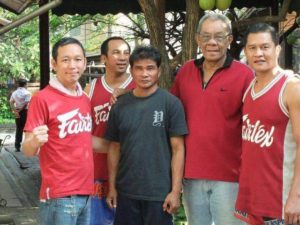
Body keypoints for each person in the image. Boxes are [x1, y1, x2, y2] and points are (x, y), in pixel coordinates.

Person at [170, 13, 254, 225]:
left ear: (229, 39)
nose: (212, 42)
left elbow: (254, 125)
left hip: (231, 176)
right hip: (191, 174)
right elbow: (168, 110)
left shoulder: (245, 75)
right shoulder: (185, 71)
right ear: (198, 39)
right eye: (206, 36)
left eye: (218, 36)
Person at [104, 46, 188, 225]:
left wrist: (175, 191)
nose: (144, 74)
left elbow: (178, 149)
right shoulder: (120, 106)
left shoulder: (171, 104)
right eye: (139, 68)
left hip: (159, 194)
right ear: (131, 70)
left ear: (159, 70)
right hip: (126, 192)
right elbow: (114, 148)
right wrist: (112, 186)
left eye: (150, 68)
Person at [22, 37, 94, 225]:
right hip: (59, 196)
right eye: (65, 60)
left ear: (85, 63)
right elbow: (27, 150)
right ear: (54, 64)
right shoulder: (42, 99)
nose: (73, 65)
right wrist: (34, 140)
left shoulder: (85, 100)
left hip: (87, 192)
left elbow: (85, 140)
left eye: (78, 59)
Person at [234, 23, 300, 225]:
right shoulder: (250, 88)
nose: (258, 53)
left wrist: (296, 198)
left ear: (277, 49)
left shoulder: (291, 87)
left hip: (280, 205)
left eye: (265, 47)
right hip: (252, 200)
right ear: (245, 51)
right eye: (252, 48)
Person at [84, 36, 135, 225]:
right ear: (103, 58)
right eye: (116, 52)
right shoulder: (91, 88)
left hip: (131, 174)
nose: (122, 58)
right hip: (97, 173)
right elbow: (82, 130)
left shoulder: (140, 86)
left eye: (126, 53)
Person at [9, 78, 31, 151]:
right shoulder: (27, 93)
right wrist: (20, 111)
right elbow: (26, 103)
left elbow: (11, 102)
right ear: (25, 84)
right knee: (28, 129)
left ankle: (17, 147)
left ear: (18, 84)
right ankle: (28, 146)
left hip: (17, 111)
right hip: (25, 112)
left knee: (19, 129)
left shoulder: (14, 93)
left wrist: (15, 111)